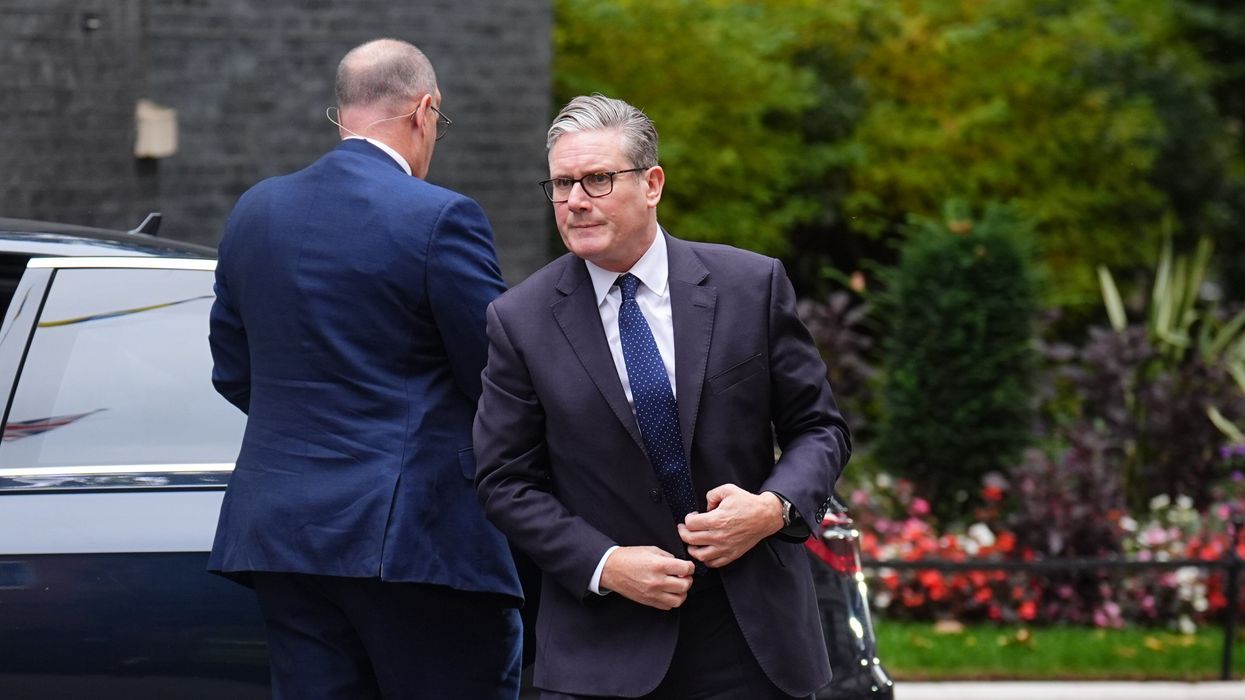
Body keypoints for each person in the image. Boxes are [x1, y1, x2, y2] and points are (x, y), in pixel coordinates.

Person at [473, 93, 852, 700]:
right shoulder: (519, 321)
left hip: (751, 637)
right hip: (602, 648)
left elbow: (820, 428)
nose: (574, 200)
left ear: (652, 184)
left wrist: (773, 507)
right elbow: (504, 481)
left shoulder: (750, 286)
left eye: (597, 179)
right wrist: (605, 563)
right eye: (562, 183)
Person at [208, 38, 521, 700]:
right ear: (424, 109)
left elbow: (234, 372)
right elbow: (498, 378)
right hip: (414, 539)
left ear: (343, 111)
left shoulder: (255, 210)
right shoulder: (440, 216)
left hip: (282, 536)